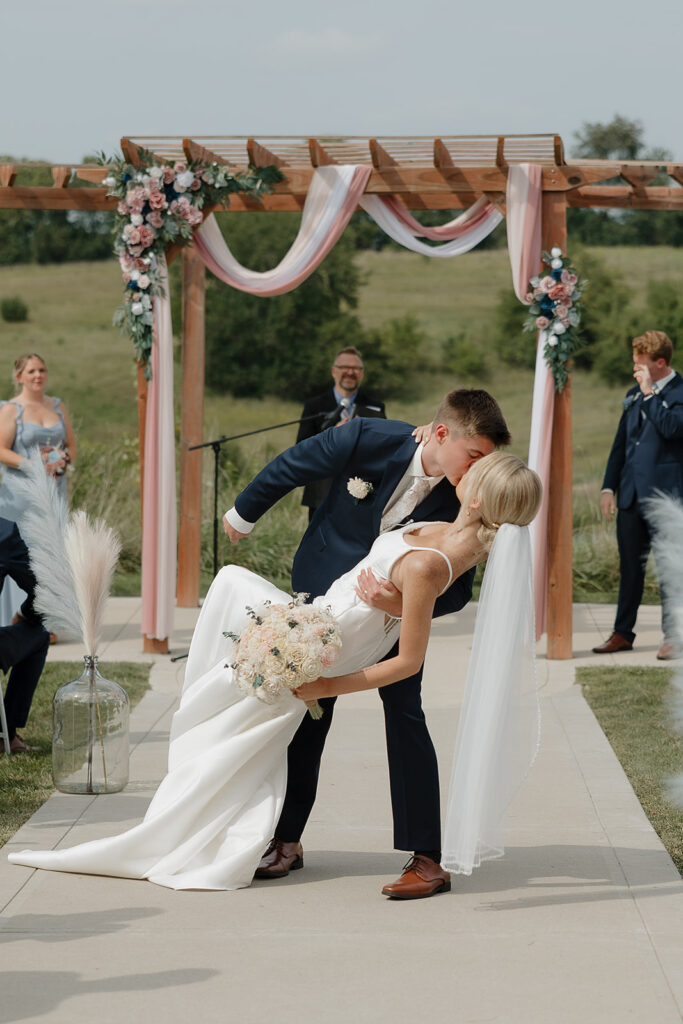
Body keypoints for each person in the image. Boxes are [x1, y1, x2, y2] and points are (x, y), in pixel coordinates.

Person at [8, 452, 541, 892]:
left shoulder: (432, 562)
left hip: (320, 647)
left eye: (477, 467)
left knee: (222, 692)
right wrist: (395, 607)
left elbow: (409, 660)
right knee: (229, 627)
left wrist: (327, 684)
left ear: (479, 495)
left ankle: (202, 836)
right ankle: (232, 831)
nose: (466, 466)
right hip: (312, 620)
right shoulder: (450, 531)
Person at [223, 388, 511, 898]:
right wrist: (243, 513)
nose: (480, 470)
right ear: (440, 433)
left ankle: (427, 857)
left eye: (487, 461)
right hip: (322, 598)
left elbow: (458, 591)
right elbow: (295, 463)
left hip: (393, 622)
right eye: (474, 456)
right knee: (308, 715)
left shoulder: (473, 501)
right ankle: (285, 840)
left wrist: (401, 607)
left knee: (406, 714)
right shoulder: (368, 437)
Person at [593, 331, 683, 661]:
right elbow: (621, 445)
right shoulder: (633, 394)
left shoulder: (679, 393)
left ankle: (674, 636)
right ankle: (622, 633)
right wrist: (608, 487)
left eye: (641, 364)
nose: (636, 370)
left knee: (671, 570)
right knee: (631, 568)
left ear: (660, 363)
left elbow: (673, 428)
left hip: (667, 498)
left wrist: (650, 394)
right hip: (630, 497)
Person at [0, 354, 77, 627]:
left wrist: (63, 460)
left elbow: (71, 444)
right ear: (19, 376)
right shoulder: (11, 409)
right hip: (18, 495)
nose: (38, 375)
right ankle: (16, 619)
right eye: (31, 371)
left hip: (54, 490)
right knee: (23, 554)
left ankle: (48, 620)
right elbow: (1, 450)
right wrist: (33, 465)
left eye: (42, 370)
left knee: (51, 551)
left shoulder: (57, 406)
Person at [297, 346, 386, 521]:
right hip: (321, 494)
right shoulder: (315, 405)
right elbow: (301, 447)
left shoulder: (376, 406)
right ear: (333, 371)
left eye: (356, 368)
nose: (350, 372)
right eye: (345, 367)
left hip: (362, 494)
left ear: (362, 373)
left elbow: (382, 448)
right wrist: (332, 435)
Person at [0, 517, 50, 753]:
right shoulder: (4, 532)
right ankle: (5, 734)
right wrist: (23, 612)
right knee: (39, 635)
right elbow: (43, 591)